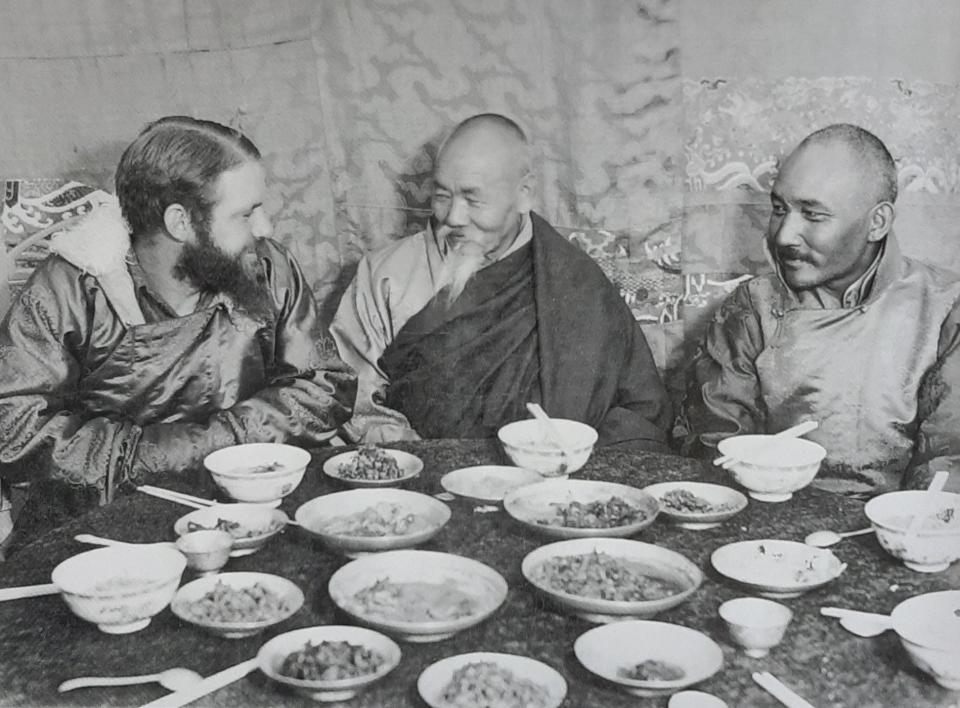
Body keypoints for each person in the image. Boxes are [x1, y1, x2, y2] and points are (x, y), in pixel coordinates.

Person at [0, 116, 356, 547]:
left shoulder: (266, 266)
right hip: (106, 531)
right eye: (246, 214)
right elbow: (14, 429)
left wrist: (223, 442)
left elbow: (323, 384)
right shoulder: (69, 288)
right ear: (180, 222)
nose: (265, 228)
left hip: (250, 511)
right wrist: (171, 454)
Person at [332, 113, 671, 449]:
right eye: (442, 196)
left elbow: (640, 412)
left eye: (472, 199)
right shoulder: (385, 277)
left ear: (524, 193)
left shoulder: (578, 284)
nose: (453, 217)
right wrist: (418, 454)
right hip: (420, 480)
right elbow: (350, 396)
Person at [683, 123, 960, 496]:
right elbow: (717, 449)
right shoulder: (751, 310)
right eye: (779, 209)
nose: (783, 236)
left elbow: (948, 465)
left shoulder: (946, 309)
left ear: (877, 223)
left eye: (812, 215)